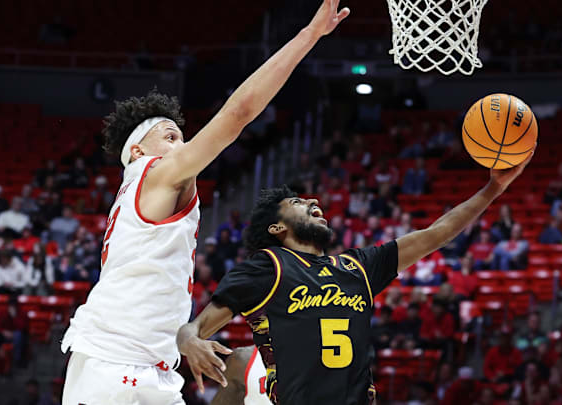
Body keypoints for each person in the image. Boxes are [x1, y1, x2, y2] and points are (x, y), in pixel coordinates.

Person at [60, 3, 351, 404]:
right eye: (169, 135)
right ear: (139, 148)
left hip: (148, 365)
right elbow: (240, 112)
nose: (181, 143)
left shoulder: (138, 189)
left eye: (182, 135)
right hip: (117, 363)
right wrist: (309, 36)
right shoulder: (156, 172)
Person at [177, 150, 533, 403]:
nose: (314, 201)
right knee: (240, 361)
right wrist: (189, 340)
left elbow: (436, 232)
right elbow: (194, 329)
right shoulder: (269, 265)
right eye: (299, 203)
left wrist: (493, 189)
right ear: (277, 227)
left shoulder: (357, 267)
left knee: (242, 361)